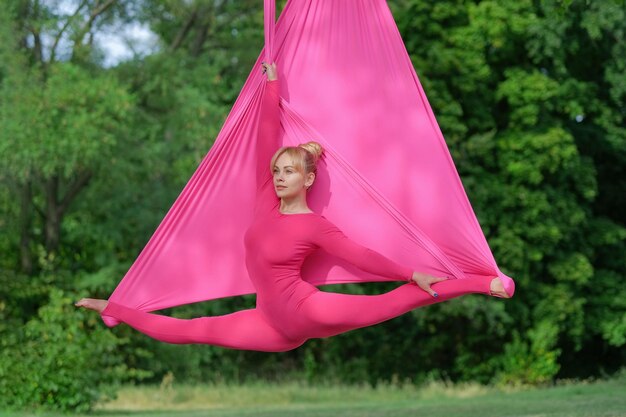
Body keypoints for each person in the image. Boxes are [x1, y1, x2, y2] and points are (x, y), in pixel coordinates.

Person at [75, 62, 510, 352]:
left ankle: (484, 284)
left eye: (288, 171)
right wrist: (270, 85)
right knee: (194, 331)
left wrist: (409, 271)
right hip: (270, 325)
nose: (279, 176)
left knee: (394, 302)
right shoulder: (266, 200)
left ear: (308, 178)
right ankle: (117, 314)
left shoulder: (314, 225)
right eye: (278, 170)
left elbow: (361, 257)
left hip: (308, 310)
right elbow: (265, 136)